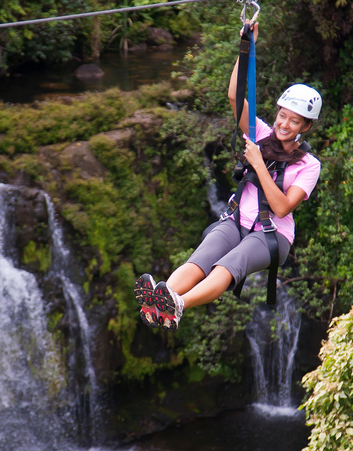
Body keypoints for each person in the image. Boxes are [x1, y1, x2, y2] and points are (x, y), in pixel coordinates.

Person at [134, 22, 322, 331]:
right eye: (282, 116)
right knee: (201, 258)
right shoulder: (260, 132)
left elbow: (284, 207)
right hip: (236, 220)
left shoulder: (309, 164)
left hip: (271, 234)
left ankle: (178, 305)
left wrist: (259, 165)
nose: (284, 124)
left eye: (294, 121)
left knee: (228, 265)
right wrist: (245, 47)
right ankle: (160, 300)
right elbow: (235, 97)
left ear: (306, 127)